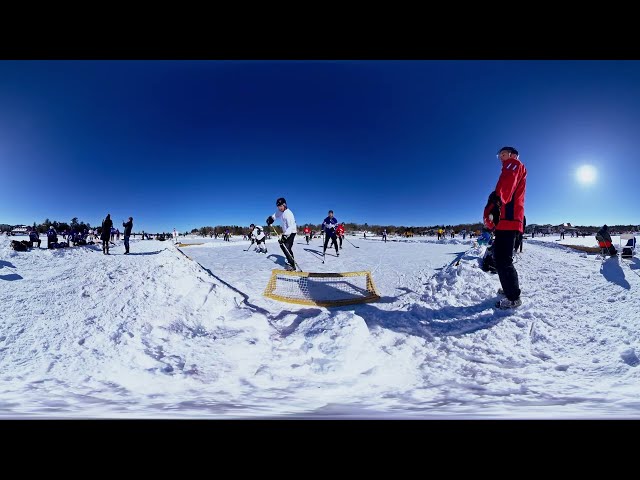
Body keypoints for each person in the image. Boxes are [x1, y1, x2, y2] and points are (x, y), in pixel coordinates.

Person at [483, 146, 527, 309]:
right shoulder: (509, 166)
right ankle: (509, 289)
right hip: (505, 220)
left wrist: (497, 200)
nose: (501, 157)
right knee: (500, 257)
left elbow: (508, 183)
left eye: (503, 154)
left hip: (508, 218)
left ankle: (513, 297)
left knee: (503, 259)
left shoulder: (513, 164)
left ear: (512, 154)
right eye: (499, 155)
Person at [266, 197, 297, 270]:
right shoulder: (280, 211)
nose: (279, 208)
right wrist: (270, 219)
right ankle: (289, 259)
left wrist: (284, 237)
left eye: (281, 206)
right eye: (278, 207)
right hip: (286, 232)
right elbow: (275, 216)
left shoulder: (288, 214)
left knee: (287, 247)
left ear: (285, 205)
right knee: (282, 246)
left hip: (291, 232)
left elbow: (291, 227)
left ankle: (292, 264)